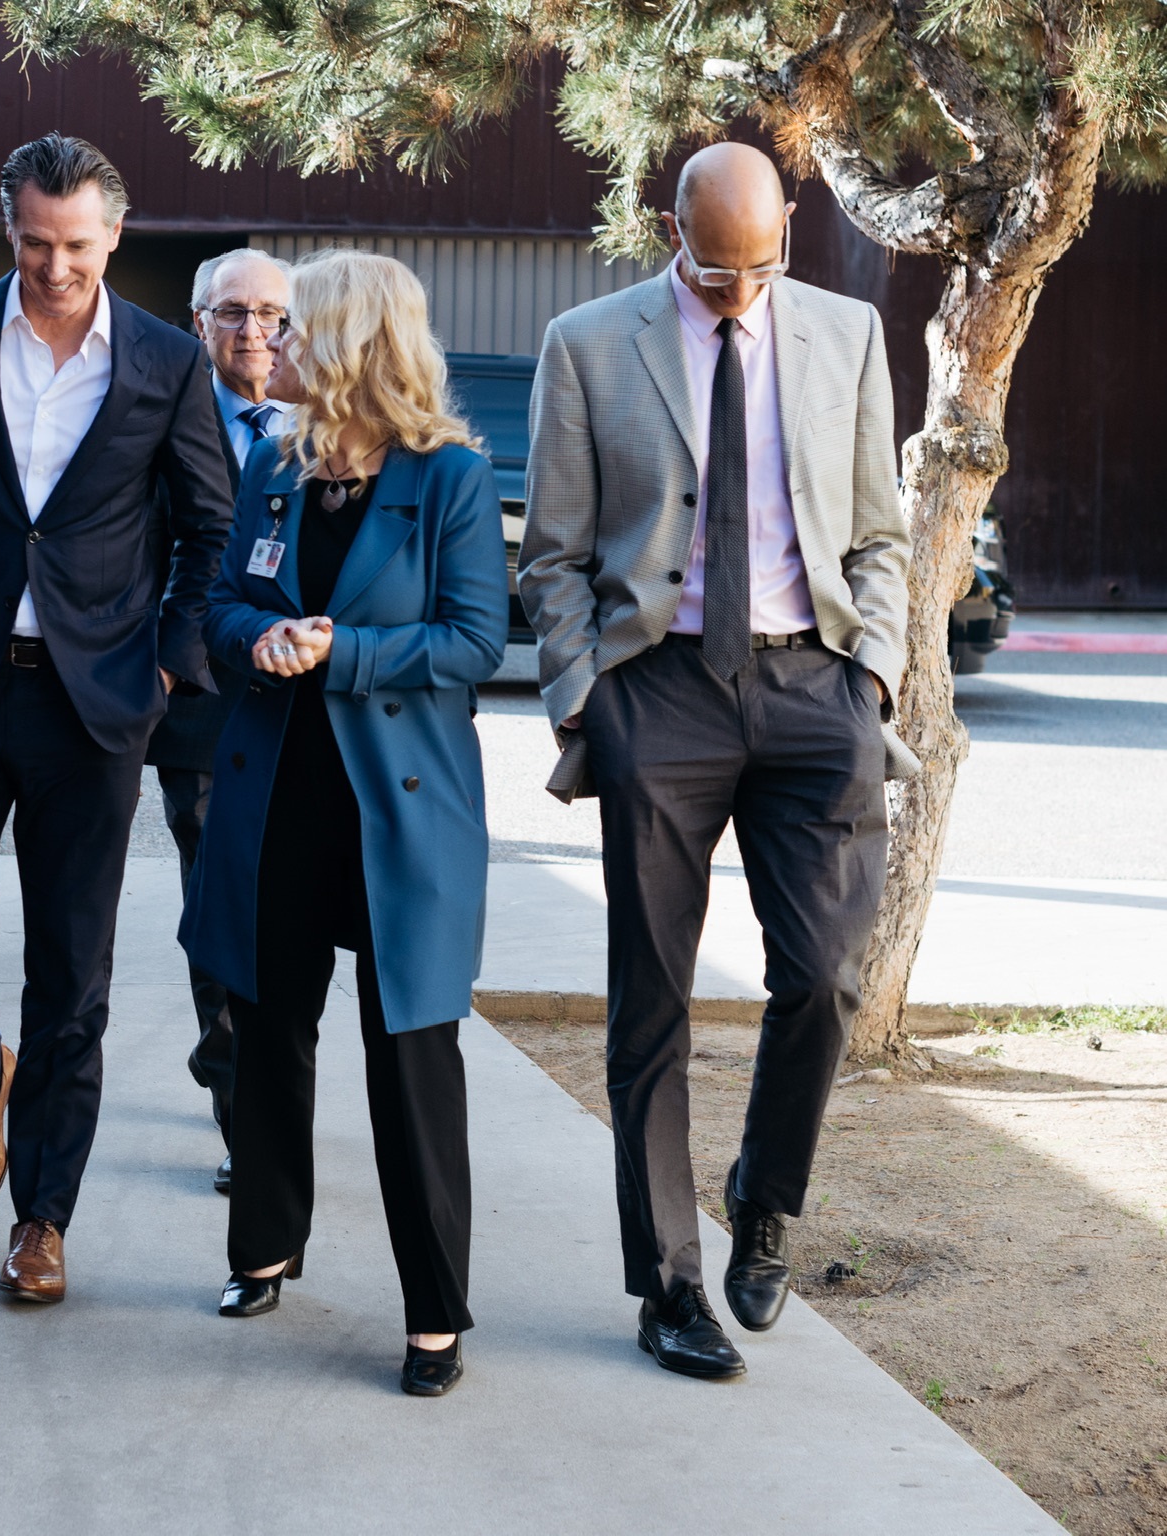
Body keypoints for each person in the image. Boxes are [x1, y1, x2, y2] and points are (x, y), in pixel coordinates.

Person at [520, 142, 913, 1380]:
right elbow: (552, 555)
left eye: (760, 265)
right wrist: (588, 700)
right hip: (659, 692)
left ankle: (764, 1194)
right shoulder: (587, 344)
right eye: (711, 270)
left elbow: (880, 532)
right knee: (651, 1000)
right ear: (669, 231)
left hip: (815, 688)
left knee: (825, 978)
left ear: (788, 224)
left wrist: (873, 675)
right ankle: (668, 1287)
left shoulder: (848, 334)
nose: (737, 290)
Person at [0, 133, 232, 1303]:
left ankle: (42, 1220)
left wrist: (164, 666)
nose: (54, 267)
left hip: (93, 707)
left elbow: (208, 529)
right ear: (6, 229)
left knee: (72, 972)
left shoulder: (167, 360)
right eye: (33, 243)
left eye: (75, 245)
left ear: (113, 235)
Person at [180, 248, 507, 1397]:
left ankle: (434, 1314)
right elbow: (220, 602)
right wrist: (257, 640)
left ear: (351, 342)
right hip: (277, 796)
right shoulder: (275, 466)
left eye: (293, 326)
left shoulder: (449, 477)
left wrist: (342, 650)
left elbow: (475, 639)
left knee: (409, 1055)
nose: (269, 343)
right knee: (267, 1029)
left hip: (398, 815)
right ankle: (264, 1247)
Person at [149, 247, 294, 1194]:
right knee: (217, 895)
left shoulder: (324, 421)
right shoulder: (159, 416)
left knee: (283, 903)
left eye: (271, 314)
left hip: (303, 701)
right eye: (233, 312)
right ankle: (246, 1114)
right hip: (200, 696)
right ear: (199, 323)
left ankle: (230, 1050)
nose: (254, 331)